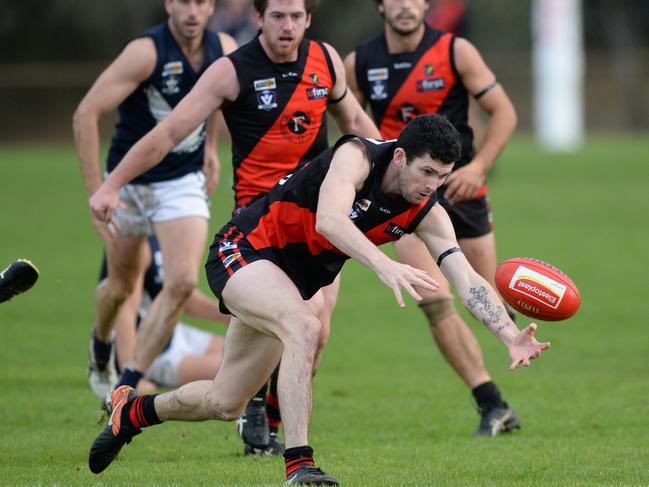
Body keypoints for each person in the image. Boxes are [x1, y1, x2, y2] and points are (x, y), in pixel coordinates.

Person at [87, 114, 550, 485]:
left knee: (224, 402)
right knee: (304, 326)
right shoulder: (357, 156)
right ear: (402, 155)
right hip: (243, 250)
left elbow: (465, 277)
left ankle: (133, 413)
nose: (432, 185)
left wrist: (509, 335)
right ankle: (299, 465)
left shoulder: (426, 210)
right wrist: (384, 264)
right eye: (426, 172)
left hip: (283, 280)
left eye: (442, 177)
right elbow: (330, 220)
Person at [89, 0, 381, 455]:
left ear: (309, 20)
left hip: (319, 219)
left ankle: (262, 416)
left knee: (317, 334)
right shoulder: (231, 71)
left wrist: (397, 157)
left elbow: (358, 127)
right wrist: (112, 184)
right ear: (259, 19)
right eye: (277, 16)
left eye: (296, 17)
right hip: (259, 228)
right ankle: (268, 431)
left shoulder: (325, 61)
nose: (287, 26)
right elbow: (169, 133)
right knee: (298, 326)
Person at [344, 0, 520, 436]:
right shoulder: (360, 62)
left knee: (485, 292)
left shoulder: (455, 51)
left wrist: (478, 169)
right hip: (404, 196)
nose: (405, 6)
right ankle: (491, 403)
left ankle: (510, 337)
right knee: (436, 302)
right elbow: (348, 120)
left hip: (461, 189)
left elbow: (505, 112)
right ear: (381, 5)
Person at [73, 0, 237, 403]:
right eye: (184, 1)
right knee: (120, 286)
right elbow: (85, 113)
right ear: (169, 4)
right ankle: (101, 344)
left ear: (211, 6)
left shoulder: (225, 48)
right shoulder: (146, 52)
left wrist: (211, 149)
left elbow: (217, 94)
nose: (192, 11)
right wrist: (98, 189)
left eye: (201, 2)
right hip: (128, 183)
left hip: (180, 182)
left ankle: (130, 378)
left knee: (181, 281)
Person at [88, 236, 228, 398]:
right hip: (149, 349)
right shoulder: (138, 241)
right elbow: (125, 313)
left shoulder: (166, 231)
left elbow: (183, 295)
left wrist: (228, 314)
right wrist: (131, 376)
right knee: (237, 368)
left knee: (243, 351)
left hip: (172, 332)